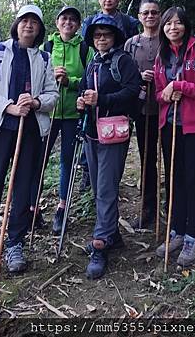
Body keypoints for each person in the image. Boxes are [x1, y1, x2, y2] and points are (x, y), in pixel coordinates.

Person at [0, 5, 59, 279]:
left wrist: (35, 102)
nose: (28, 26)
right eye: (24, 21)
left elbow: (52, 94)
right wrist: (8, 106)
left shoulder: (44, 58)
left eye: (34, 22)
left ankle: (15, 244)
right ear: (16, 24)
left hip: (30, 131)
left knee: (22, 190)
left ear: (40, 29)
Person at [77, 15, 141, 280]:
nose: (101, 38)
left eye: (106, 34)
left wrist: (102, 98)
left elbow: (133, 90)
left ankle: (101, 243)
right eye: (97, 35)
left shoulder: (123, 61)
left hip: (113, 132)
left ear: (115, 37)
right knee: (97, 184)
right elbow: (83, 89)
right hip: (92, 132)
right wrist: (82, 101)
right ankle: (112, 232)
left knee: (105, 187)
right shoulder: (93, 62)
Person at [154, 7, 195, 267]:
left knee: (193, 180)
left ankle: (193, 235)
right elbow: (159, 93)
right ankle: (176, 229)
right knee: (174, 179)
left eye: (178, 23)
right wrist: (167, 94)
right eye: (168, 24)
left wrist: (179, 86)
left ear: (186, 26)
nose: (173, 28)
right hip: (170, 126)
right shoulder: (162, 55)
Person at [30, 5, 93, 235]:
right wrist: (52, 77)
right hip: (47, 113)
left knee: (67, 159)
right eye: (64, 18)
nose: (68, 23)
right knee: (41, 159)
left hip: (73, 114)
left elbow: (90, 78)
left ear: (78, 25)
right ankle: (33, 207)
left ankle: (61, 208)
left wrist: (71, 81)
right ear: (57, 23)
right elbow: (37, 76)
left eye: (73, 20)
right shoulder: (46, 47)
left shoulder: (86, 49)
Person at [124, 0, 161, 228]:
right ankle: (149, 207)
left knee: (173, 157)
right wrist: (140, 77)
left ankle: (176, 205)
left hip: (169, 107)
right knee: (148, 158)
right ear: (139, 17)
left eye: (154, 12)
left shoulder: (169, 39)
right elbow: (125, 75)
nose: (150, 16)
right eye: (145, 13)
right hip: (143, 109)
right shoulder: (131, 44)